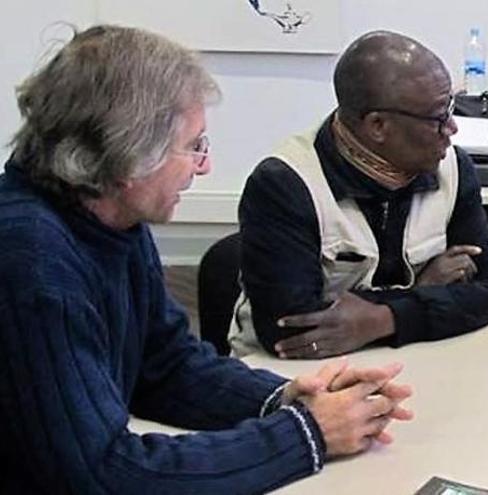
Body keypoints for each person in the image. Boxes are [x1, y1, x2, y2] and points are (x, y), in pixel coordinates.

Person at [0, 25, 412, 493]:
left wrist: (284, 399)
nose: (206, 165)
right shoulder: (32, 264)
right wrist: (307, 433)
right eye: (194, 145)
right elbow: (102, 475)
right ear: (127, 154)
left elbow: (165, 367)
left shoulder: (107, 218)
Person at [228, 30, 488, 359]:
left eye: (451, 108)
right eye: (437, 118)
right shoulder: (284, 184)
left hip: (415, 361)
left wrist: (383, 319)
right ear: (377, 126)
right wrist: (422, 293)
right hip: (290, 377)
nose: (452, 129)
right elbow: (292, 332)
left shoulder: (454, 169)